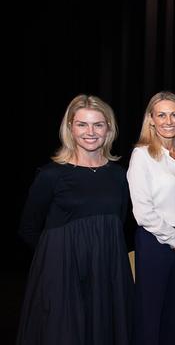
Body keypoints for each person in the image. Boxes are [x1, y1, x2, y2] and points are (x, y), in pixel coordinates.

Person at [16, 94, 133, 345]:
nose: (90, 132)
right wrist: (59, 259)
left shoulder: (118, 175)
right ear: (70, 127)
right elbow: (28, 227)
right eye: (82, 124)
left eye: (98, 125)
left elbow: (118, 222)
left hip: (106, 270)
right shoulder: (51, 175)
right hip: (61, 273)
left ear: (108, 129)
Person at [127, 91, 175, 345]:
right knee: (150, 314)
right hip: (156, 242)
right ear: (151, 120)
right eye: (162, 115)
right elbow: (143, 211)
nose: (169, 120)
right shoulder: (142, 155)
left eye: (174, 115)